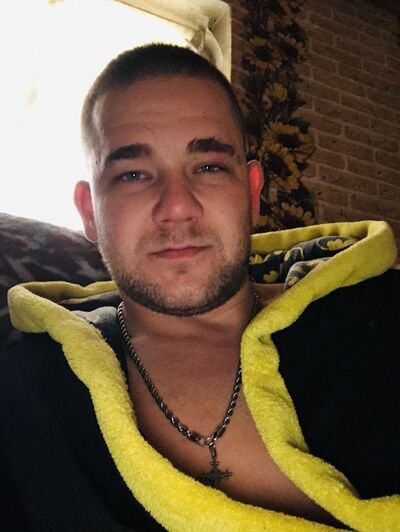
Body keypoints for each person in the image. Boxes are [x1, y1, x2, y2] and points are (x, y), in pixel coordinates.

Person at [1, 43, 399, 531]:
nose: (176, 207)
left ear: (251, 192)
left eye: (208, 167)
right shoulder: (26, 392)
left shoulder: (380, 316)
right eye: (133, 174)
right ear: (90, 211)